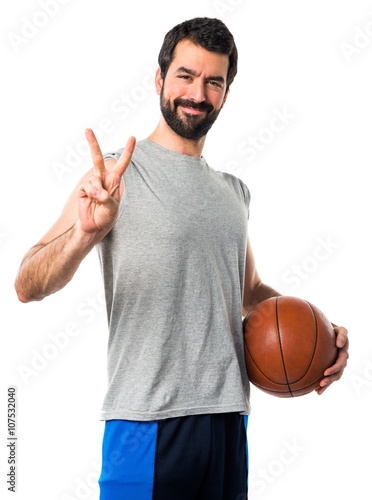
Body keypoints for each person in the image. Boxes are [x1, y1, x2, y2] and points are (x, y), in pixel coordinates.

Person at [14, 17, 349, 500]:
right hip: (147, 423)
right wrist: (84, 235)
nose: (198, 93)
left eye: (214, 81)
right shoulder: (115, 176)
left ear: (226, 93)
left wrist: (323, 330)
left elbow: (248, 293)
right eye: (186, 76)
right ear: (159, 79)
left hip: (228, 424)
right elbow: (28, 283)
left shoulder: (234, 193)